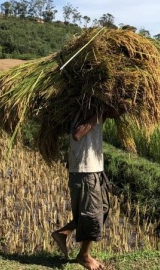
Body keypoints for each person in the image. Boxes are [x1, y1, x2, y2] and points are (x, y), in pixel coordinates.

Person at [51, 109, 116, 270]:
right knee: (92, 215)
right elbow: (77, 134)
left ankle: (63, 233)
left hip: (95, 168)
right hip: (84, 169)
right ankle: (84, 256)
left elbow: (105, 117)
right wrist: (98, 113)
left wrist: (112, 110)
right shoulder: (81, 108)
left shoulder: (95, 109)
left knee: (103, 208)